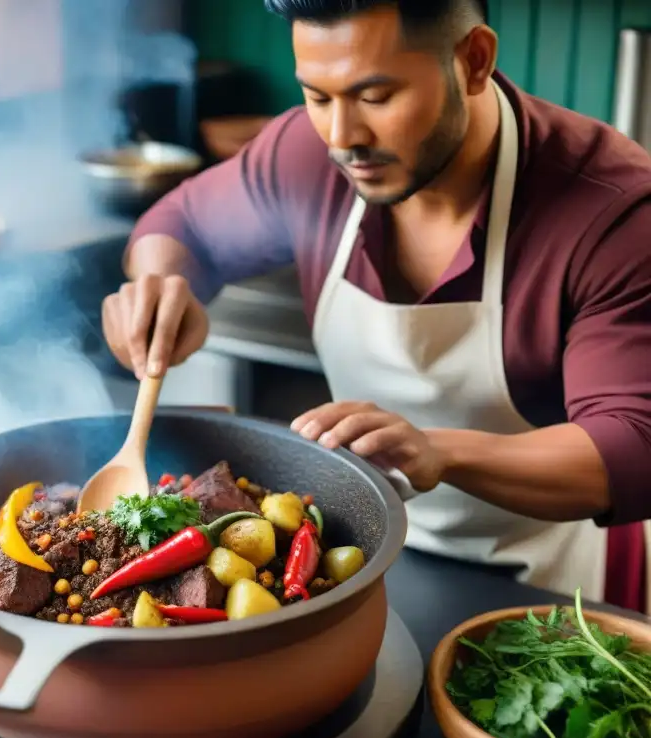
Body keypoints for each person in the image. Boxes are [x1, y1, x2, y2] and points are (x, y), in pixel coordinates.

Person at [101, 0, 651, 612]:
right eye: (317, 96)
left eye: (377, 96)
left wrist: (441, 451)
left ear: (474, 61)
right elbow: (181, 224)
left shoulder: (611, 209)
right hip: (370, 560)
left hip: (550, 582)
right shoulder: (306, 156)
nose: (343, 138)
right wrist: (161, 285)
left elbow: (633, 447)